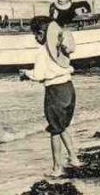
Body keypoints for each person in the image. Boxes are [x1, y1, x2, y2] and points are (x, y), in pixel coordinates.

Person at [20, 15, 80, 177]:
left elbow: (39, 75)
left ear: (40, 34)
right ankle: (74, 158)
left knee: (55, 130)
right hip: (69, 88)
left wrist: (26, 73)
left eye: (35, 35)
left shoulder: (42, 52)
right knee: (62, 127)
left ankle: (57, 168)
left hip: (55, 92)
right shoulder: (60, 48)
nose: (35, 39)